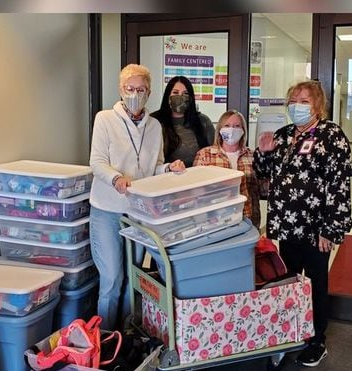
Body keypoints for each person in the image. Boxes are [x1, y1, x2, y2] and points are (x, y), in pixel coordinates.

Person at [253, 80, 352, 366]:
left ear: (318, 105)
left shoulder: (330, 136)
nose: (297, 105)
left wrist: (331, 229)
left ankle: (317, 339)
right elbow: (264, 176)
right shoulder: (284, 136)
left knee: (316, 281)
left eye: (305, 100)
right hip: (288, 225)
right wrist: (264, 152)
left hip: (316, 227)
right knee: (290, 281)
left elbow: (338, 185)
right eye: (294, 99)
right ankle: (291, 330)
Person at [89, 64, 186, 331]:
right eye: (130, 89)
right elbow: (96, 162)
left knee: (134, 277)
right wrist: (116, 178)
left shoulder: (154, 126)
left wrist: (168, 168)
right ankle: (106, 337)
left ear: (149, 93)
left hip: (137, 213)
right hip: (107, 209)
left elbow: (154, 166)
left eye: (141, 90)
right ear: (121, 90)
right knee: (111, 279)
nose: (135, 94)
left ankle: (128, 334)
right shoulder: (105, 119)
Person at [194, 110, 261, 230]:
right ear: (220, 129)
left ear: (243, 130)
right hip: (214, 221)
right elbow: (196, 192)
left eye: (237, 126)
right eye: (227, 125)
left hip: (247, 218)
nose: (232, 129)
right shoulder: (205, 154)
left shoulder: (252, 155)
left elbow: (261, 189)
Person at [150, 76, 215, 167]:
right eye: (175, 92)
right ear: (167, 95)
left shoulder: (203, 121)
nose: (180, 96)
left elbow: (215, 151)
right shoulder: (154, 121)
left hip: (197, 177)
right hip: (163, 178)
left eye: (185, 93)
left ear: (191, 97)